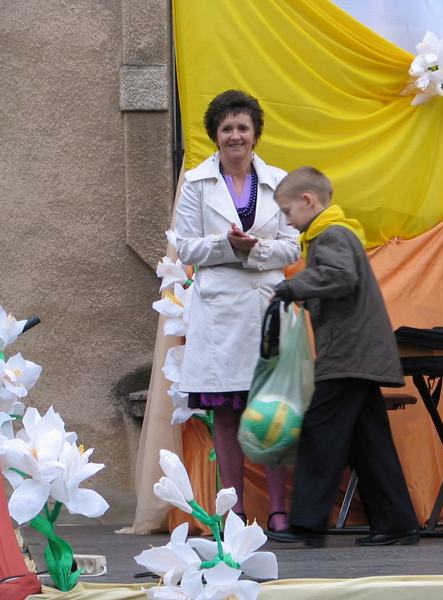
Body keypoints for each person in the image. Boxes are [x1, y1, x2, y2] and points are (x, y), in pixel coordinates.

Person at [267, 166, 419, 547]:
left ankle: (307, 522)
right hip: (358, 352)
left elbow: (340, 276)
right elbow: (340, 282)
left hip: (348, 353)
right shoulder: (334, 233)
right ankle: (396, 522)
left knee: (319, 430)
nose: (288, 221)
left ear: (307, 201)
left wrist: (292, 287)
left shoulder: (331, 235)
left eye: (288, 211)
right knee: (369, 441)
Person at [174, 89, 300, 532]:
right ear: (215, 135)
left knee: (270, 413)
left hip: (266, 310)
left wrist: (254, 250)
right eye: (226, 128)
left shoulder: (279, 182)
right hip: (220, 315)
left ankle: (279, 510)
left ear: (255, 134)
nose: (235, 136)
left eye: (242, 127)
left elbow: (292, 247)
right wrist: (226, 246)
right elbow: (185, 247)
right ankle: (235, 512)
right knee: (226, 415)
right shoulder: (196, 184)